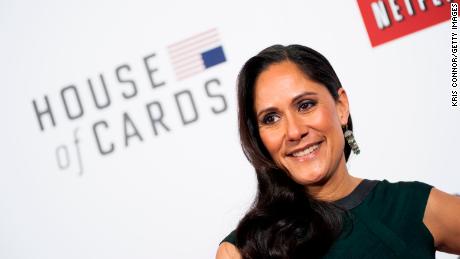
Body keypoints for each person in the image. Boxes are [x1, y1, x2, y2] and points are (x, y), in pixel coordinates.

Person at [216, 44, 460, 258]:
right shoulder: (243, 251)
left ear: (341, 107)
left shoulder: (412, 206)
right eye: (271, 118)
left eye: (305, 105)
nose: (294, 131)